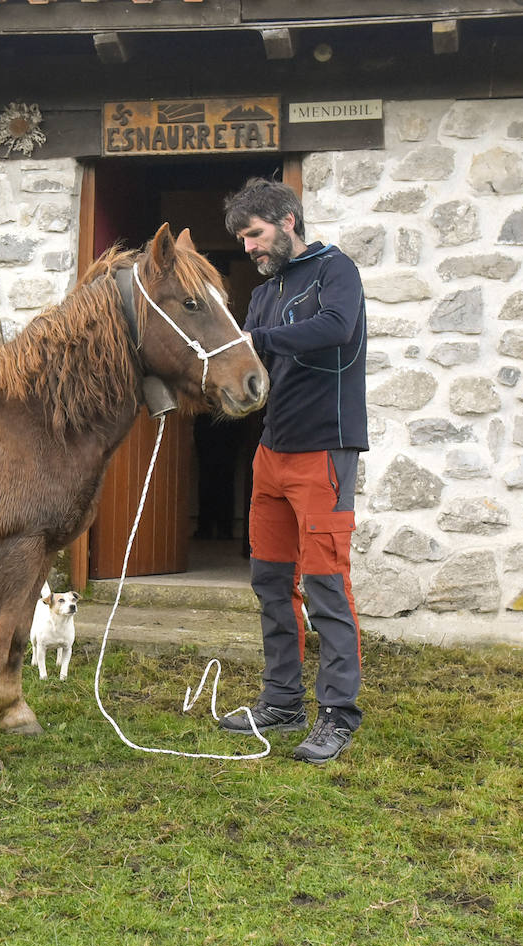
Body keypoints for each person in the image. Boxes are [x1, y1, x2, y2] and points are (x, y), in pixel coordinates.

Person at [217, 178, 368, 765]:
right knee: (270, 581)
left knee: (326, 584)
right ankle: (282, 700)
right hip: (270, 455)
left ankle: (338, 714)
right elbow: (253, 361)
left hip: (324, 452)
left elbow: (335, 329)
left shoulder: (337, 270)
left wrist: (255, 337)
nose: (250, 247)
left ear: (286, 220)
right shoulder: (264, 292)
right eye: (243, 239)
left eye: (254, 235)